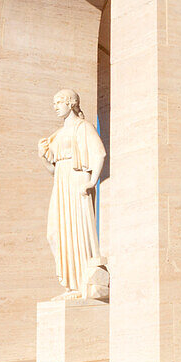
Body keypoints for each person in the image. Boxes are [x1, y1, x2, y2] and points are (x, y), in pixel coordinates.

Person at [38, 89, 106, 299]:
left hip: (77, 179)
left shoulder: (82, 127)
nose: (55, 106)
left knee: (76, 229)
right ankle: (70, 283)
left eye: (59, 102)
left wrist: (92, 181)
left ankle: (79, 285)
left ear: (71, 103)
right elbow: (53, 171)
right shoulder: (57, 135)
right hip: (61, 181)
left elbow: (99, 153)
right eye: (55, 102)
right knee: (55, 232)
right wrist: (43, 158)